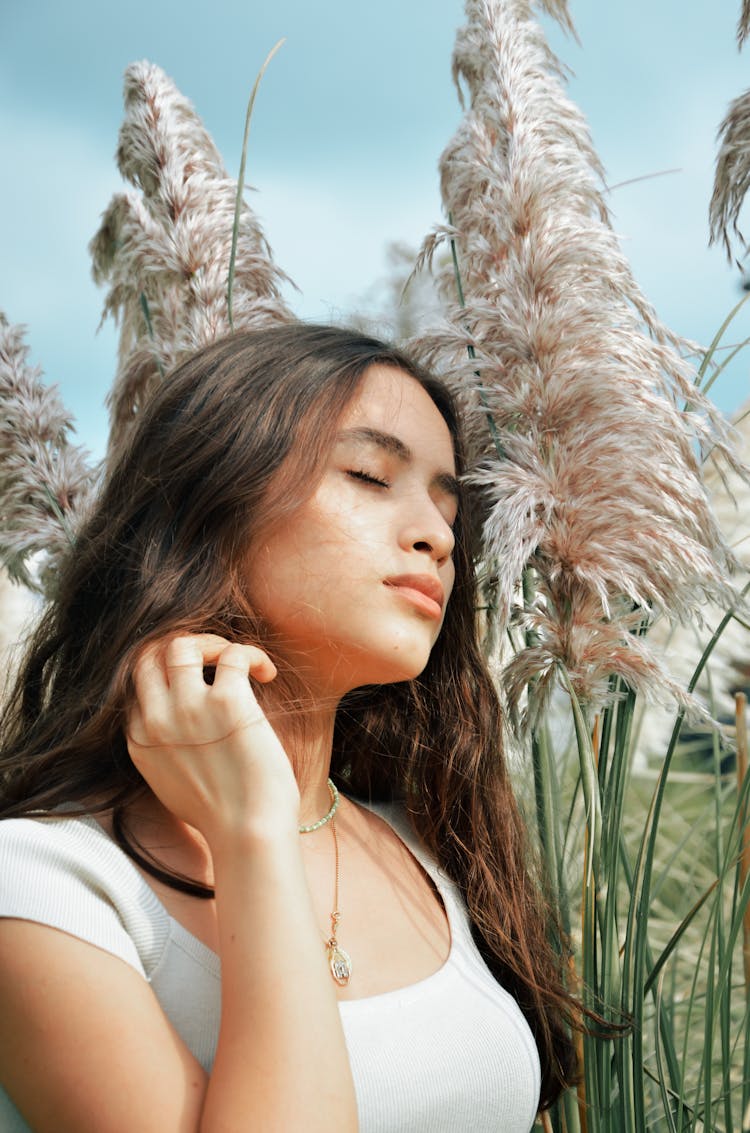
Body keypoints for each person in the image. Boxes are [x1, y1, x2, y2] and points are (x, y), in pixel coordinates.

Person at [0, 324, 578, 1131]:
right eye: (370, 475)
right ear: (212, 505)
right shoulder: (45, 884)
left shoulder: (428, 842)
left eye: (448, 509)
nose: (439, 536)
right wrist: (250, 835)